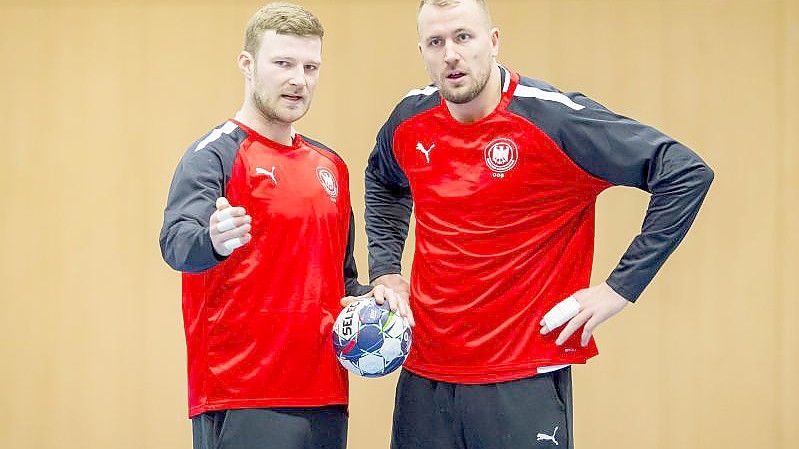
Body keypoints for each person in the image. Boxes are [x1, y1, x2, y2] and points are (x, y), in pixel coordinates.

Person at [362, 1, 714, 448]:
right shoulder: (409, 120)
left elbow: (684, 173)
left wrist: (618, 290)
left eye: (463, 37)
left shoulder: (555, 118)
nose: (450, 54)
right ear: (423, 52)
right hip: (425, 374)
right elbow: (383, 180)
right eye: (436, 42)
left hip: (521, 374)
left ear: (493, 42)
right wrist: (386, 268)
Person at [159, 3, 393, 448]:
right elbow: (175, 243)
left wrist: (371, 299)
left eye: (310, 67)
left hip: (325, 398)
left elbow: (340, 280)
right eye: (283, 63)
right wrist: (213, 239)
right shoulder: (215, 155)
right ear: (247, 65)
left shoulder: (332, 167)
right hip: (243, 396)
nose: (298, 79)